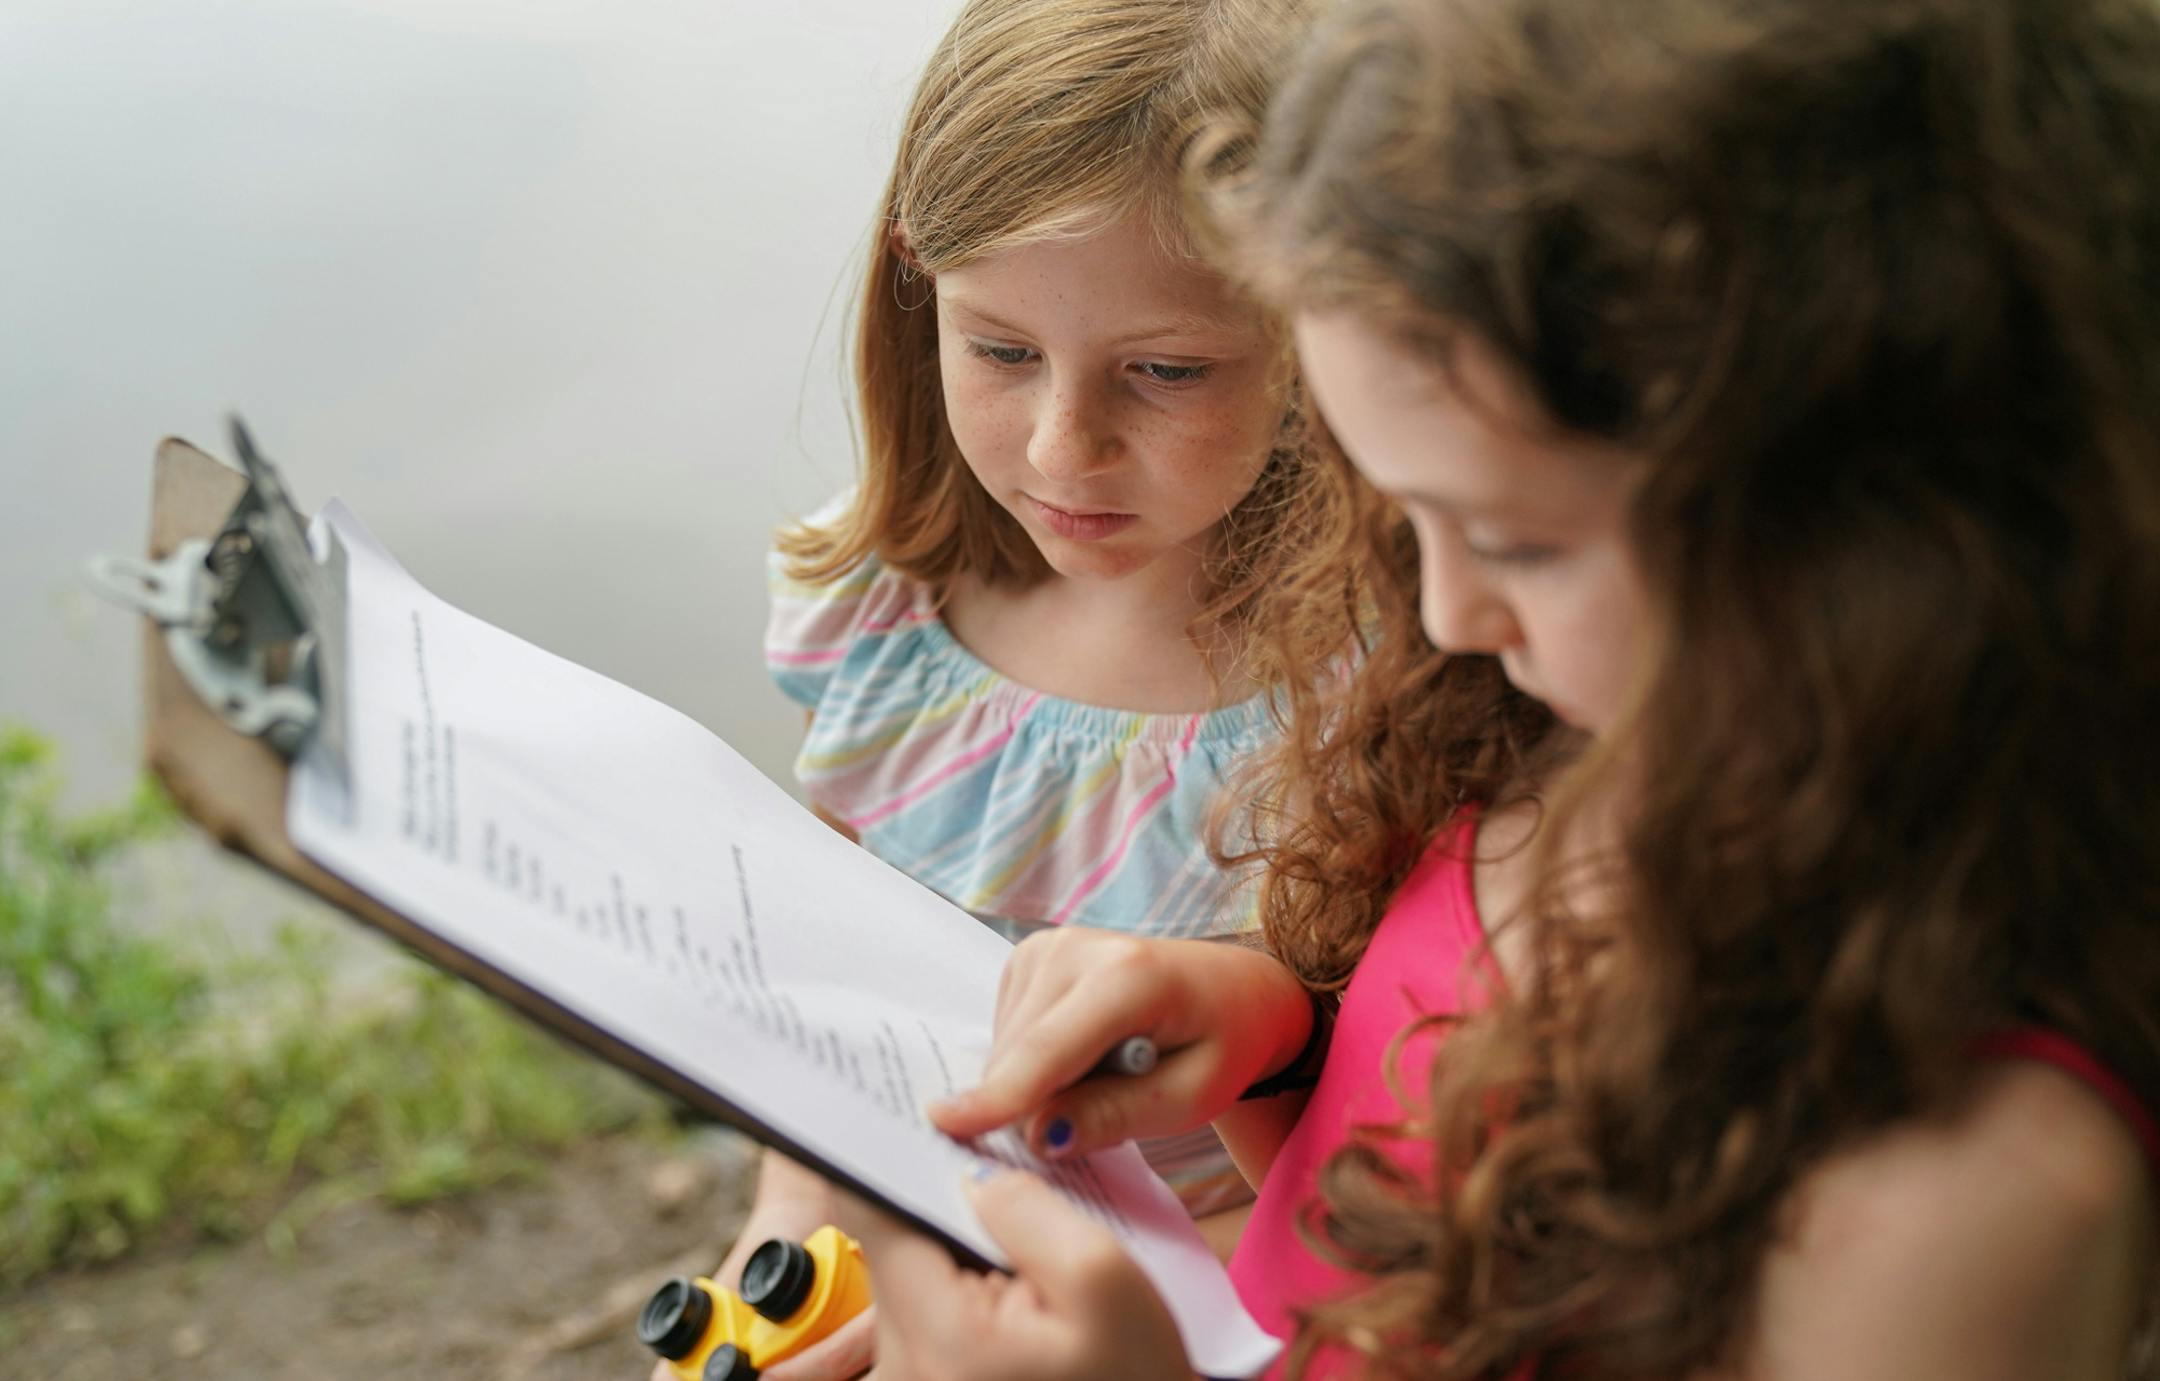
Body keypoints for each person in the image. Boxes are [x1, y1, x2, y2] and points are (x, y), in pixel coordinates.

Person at [848, 0, 2160, 1376]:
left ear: (1879, 528)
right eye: (1403, 516)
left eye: (1516, 538)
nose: (1439, 611)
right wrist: (1275, 1038)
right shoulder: (1523, 738)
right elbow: (1383, 1220)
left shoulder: (1959, 1204)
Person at [673, 1, 1335, 1377]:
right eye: (1000, 349)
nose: (1062, 446)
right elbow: (836, 1020)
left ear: (1315, 330)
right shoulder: (874, 611)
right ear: (916, 278)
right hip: (904, 1250)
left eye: (1164, 371)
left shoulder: (1381, 680)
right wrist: (780, 1248)